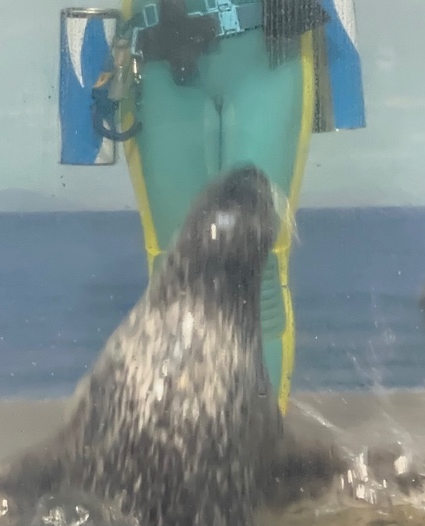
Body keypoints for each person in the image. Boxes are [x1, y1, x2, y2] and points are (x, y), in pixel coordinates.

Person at [97, 0, 336, 416]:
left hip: (270, 48)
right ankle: (180, 447)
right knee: (174, 271)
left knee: (257, 267)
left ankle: (258, 451)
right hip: (159, 54)